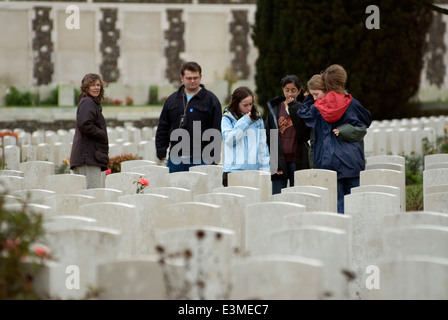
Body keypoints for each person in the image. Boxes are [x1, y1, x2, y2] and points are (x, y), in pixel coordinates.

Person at [298, 65, 372, 214]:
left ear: (325, 87)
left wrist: (307, 99)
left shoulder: (317, 107)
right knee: (355, 204)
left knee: (336, 205)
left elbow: (303, 113)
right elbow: (366, 120)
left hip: (328, 160)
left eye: (315, 94)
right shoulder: (351, 102)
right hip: (352, 160)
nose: (314, 98)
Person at [155, 61, 222, 173]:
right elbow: (163, 126)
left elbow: (216, 130)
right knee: (173, 189)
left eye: (195, 78)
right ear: (182, 78)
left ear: (200, 77)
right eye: (189, 78)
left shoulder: (211, 100)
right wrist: (161, 152)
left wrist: (213, 158)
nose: (192, 81)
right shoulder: (172, 100)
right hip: (176, 157)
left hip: (202, 157)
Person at [265, 75, 311, 194]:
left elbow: (305, 134)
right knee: (277, 194)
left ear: (299, 90)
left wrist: (294, 108)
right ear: (282, 89)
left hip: (298, 159)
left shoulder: (303, 108)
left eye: (293, 90)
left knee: (297, 194)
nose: (290, 93)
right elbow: (269, 135)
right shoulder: (274, 109)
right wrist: (273, 161)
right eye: (287, 90)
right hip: (279, 160)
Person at [221, 86, 270, 187]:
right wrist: (244, 121)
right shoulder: (227, 118)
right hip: (233, 170)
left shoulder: (257, 118)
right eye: (245, 105)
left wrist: (266, 170)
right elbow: (229, 140)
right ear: (236, 104)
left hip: (254, 170)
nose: (249, 108)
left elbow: (262, 146)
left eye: (251, 104)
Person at [70, 73, 109, 189]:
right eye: (92, 85)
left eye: (98, 85)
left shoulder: (91, 102)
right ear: (86, 87)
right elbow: (84, 124)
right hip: (87, 158)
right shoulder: (87, 102)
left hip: (89, 157)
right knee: (93, 195)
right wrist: (101, 133)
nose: (96, 87)